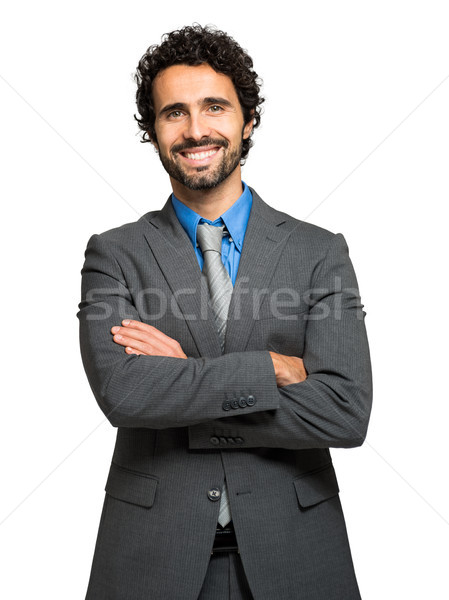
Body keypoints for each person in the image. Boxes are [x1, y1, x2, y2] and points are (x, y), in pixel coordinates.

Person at [77, 24, 372, 600]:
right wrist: (273, 367)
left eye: (215, 107)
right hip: (152, 555)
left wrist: (182, 373)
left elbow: (344, 412)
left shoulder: (319, 252)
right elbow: (126, 395)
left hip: (298, 552)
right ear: (153, 130)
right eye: (174, 113)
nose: (195, 130)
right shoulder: (113, 253)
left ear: (248, 120)